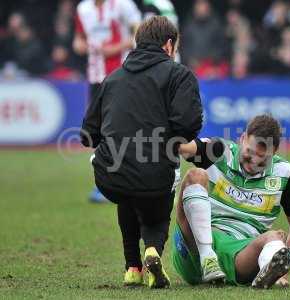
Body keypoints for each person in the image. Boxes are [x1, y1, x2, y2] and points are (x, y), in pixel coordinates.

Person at [80, 16, 203, 288]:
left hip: (110, 178)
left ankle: (132, 268)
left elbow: (87, 134)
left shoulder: (112, 79)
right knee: (157, 198)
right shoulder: (179, 75)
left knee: (128, 185)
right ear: (169, 45)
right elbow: (188, 126)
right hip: (155, 176)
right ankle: (152, 251)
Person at [173, 114, 290, 288]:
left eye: (263, 158)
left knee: (274, 237)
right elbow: (183, 148)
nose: (254, 162)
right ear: (242, 139)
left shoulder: (285, 173)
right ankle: (208, 258)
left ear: (274, 152)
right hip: (194, 249)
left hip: (239, 256)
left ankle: (270, 271)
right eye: (250, 153)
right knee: (195, 175)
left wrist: (284, 274)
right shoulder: (220, 151)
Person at [73, 0, 141, 203]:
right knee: (100, 129)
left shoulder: (123, 5)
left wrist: (115, 48)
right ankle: (104, 184)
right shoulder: (83, 9)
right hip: (96, 75)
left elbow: (139, 36)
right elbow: (78, 42)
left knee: (126, 127)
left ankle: (133, 179)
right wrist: (85, 46)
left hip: (123, 74)